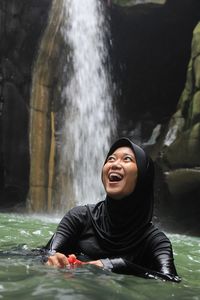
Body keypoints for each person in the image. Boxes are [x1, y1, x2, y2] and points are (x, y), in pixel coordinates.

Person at [44, 137, 181, 282]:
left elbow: (171, 281)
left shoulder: (155, 242)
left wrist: (119, 265)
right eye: (110, 159)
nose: (115, 164)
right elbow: (45, 254)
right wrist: (53, 260)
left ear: (142, 176)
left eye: (127, 159)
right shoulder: (79, 218)